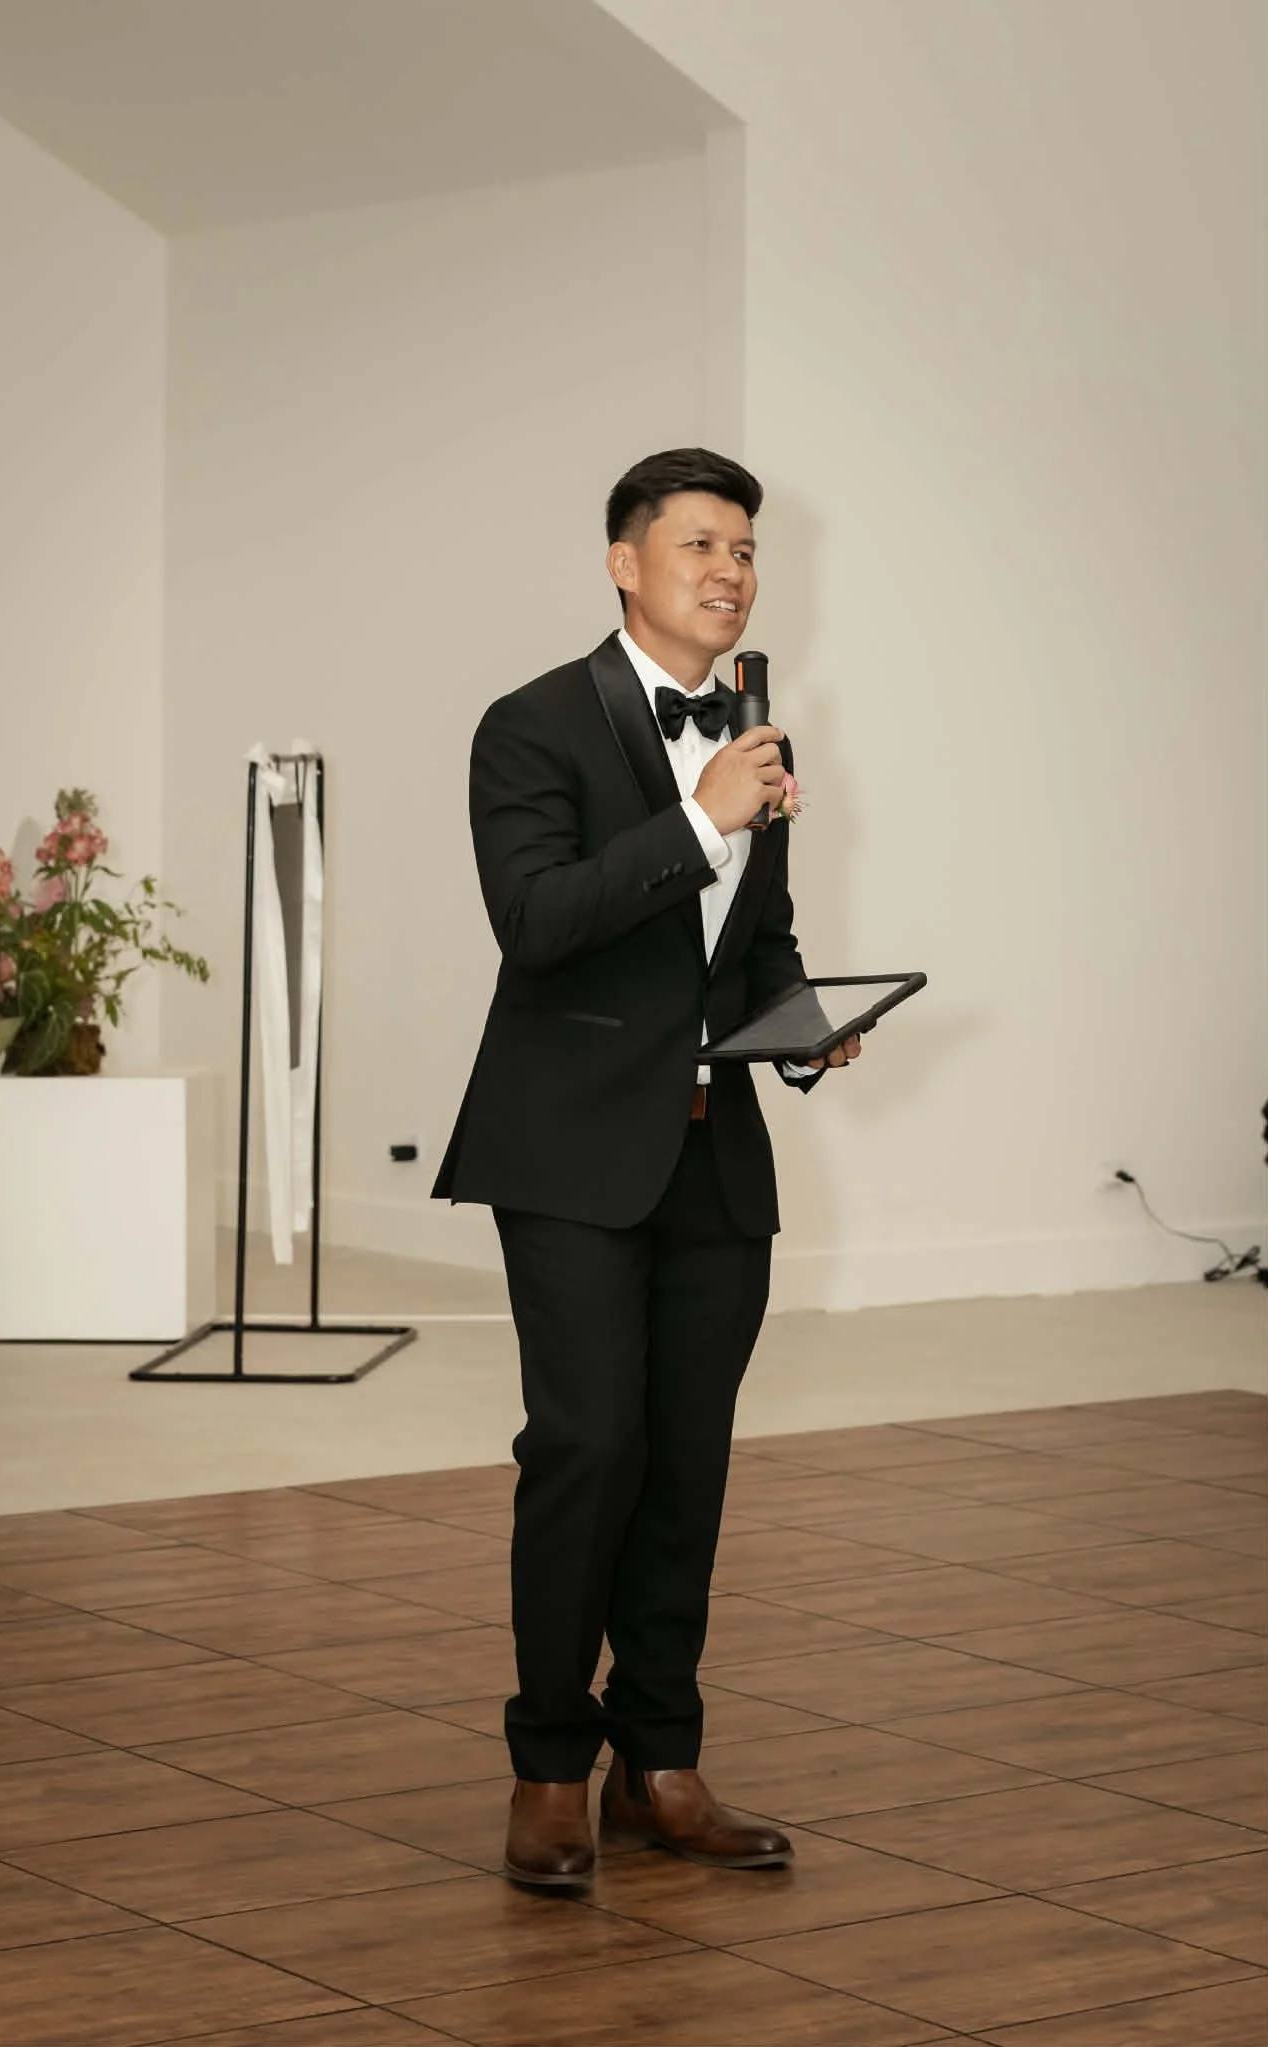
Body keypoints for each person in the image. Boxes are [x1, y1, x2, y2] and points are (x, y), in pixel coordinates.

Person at [433, 447, 861, 1888]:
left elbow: (753, 944)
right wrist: (698, 820)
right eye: (699, 544)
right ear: (623, 561)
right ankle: (549, 1767)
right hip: (565, 1150)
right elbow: (538, 921)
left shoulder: (756, 733)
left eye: (745, 548)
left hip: (709, 1155)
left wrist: (803, 1032)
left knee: (685, 1465)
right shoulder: (531, 724)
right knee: (587, 1451)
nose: (731, 570)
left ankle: (656, 1762)